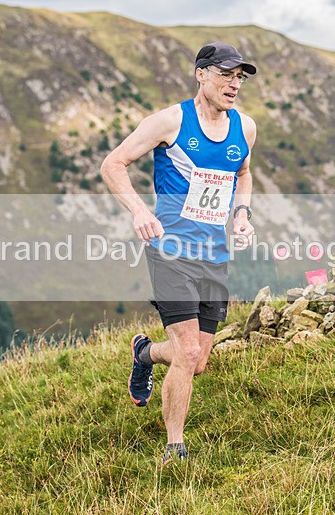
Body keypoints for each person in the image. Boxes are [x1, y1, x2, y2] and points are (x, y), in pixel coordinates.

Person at [101, 41, 257, 465]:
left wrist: (241, 215)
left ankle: (144, 353)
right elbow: (113, 164)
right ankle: (175, 447)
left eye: (240, 76)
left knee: (199, 361)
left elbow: (243, 174)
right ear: (201, 74)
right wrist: (138, 212)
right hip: (169, 249)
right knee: (187, 353)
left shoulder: (245, 128)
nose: (234, 83)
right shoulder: (170, 122)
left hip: (215, 253)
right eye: (226, 74)